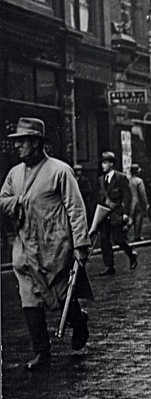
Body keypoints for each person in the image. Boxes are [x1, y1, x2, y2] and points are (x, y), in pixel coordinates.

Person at [0, 118, 92, 370]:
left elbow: (75, 208)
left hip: (54, 246)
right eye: (16, 142)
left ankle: (79, 321)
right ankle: (42, 352)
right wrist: (19, 201)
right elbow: (3, 201)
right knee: (28, 298)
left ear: (37, 143)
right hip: (24, 247)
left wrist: (80, 244)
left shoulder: (60, 171)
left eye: (22, 142)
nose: (17, 147)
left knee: (61, 295)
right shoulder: (14, 174)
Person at [97, 151, 138, 276]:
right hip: (105, 214)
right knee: (104, 240)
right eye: (102, 163)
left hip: (117, 214)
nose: (103, 165)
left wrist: (126, 213)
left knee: (118, 239)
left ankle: (131, 255)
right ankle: (109, 266)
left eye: (105, 163)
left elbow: (127, 196)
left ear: (111, 164)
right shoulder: (100, 180)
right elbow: (100, 198)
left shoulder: (120, 177)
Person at [129, 164, 149, 241]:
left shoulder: (128, 180)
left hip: (130, 202)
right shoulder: (139, 181)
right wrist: (146, 203)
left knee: (130, 218)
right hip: (137, 202)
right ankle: (137, 235)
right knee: (138, 218)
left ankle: (124, 233)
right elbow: (142, 193)